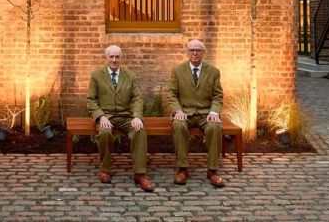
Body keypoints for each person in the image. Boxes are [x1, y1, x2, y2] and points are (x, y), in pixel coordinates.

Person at [86, 45, 156, 192]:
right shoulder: (97, 76)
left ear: (121, 58)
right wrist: (100, 116)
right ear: (106, 58)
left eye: (117, 57)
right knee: (105, 133)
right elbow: (91, 100)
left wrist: (137, 116)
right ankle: (105, 169)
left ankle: (140, 174)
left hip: (125, 116)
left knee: (139, 131)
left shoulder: (130, 76)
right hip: (106, 116)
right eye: (111, 56)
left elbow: (137, 98)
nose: (114, 60)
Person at [167, 39, 225, 188]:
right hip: (184, 112)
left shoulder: (213, 71)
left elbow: (217, 95)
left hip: (206, 113)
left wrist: (214, 112)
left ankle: (212, 170)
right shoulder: (177, 70)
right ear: (187, 52)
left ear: (203, 52)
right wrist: (178, 110)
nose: (195, 53)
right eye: (192, 50)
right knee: (178, 126)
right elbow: (171, 94)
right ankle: (182, 169)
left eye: (198, 50)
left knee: (215, 127)